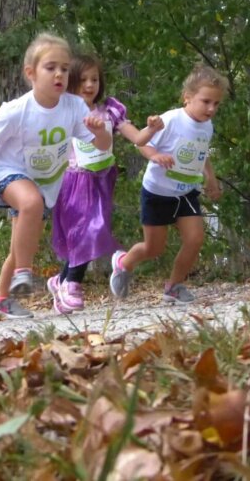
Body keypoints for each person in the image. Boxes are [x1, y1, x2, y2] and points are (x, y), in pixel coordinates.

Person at [0, 33, 111, 319]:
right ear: (31, 73)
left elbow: (99, 146)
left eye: (64, 68)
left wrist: (101, 133)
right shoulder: (17, 110)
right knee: (31, 203)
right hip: (10, 172)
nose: (59, 74)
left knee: (21, 244)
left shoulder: (74, 107)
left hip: (45, 182)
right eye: (51, 68)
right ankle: (25, 273)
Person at [46, 54, 163, 314]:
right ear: (71, 82)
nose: (90, 85)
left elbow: (137, 138)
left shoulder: (109, 110)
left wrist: (151, 130)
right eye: (83, 79)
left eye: (95, 79)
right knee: (87, 231)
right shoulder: (64, 112)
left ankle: (60, 281)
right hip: (75, 179)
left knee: (90, 231)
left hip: (102, 179)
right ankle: (72, 284)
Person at [109, 64, 226, 304]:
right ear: (188, 98)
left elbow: (202, 153)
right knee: (154, 249)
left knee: (195, 239)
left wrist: (210, 177)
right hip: (157, 192)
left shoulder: (207, 126)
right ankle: (123, 263)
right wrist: (154, 156)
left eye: (216, 104)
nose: (212, 108)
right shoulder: (171, 119)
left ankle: (174, 286)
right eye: (206, 102)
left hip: (186, 192)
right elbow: (141, 142)